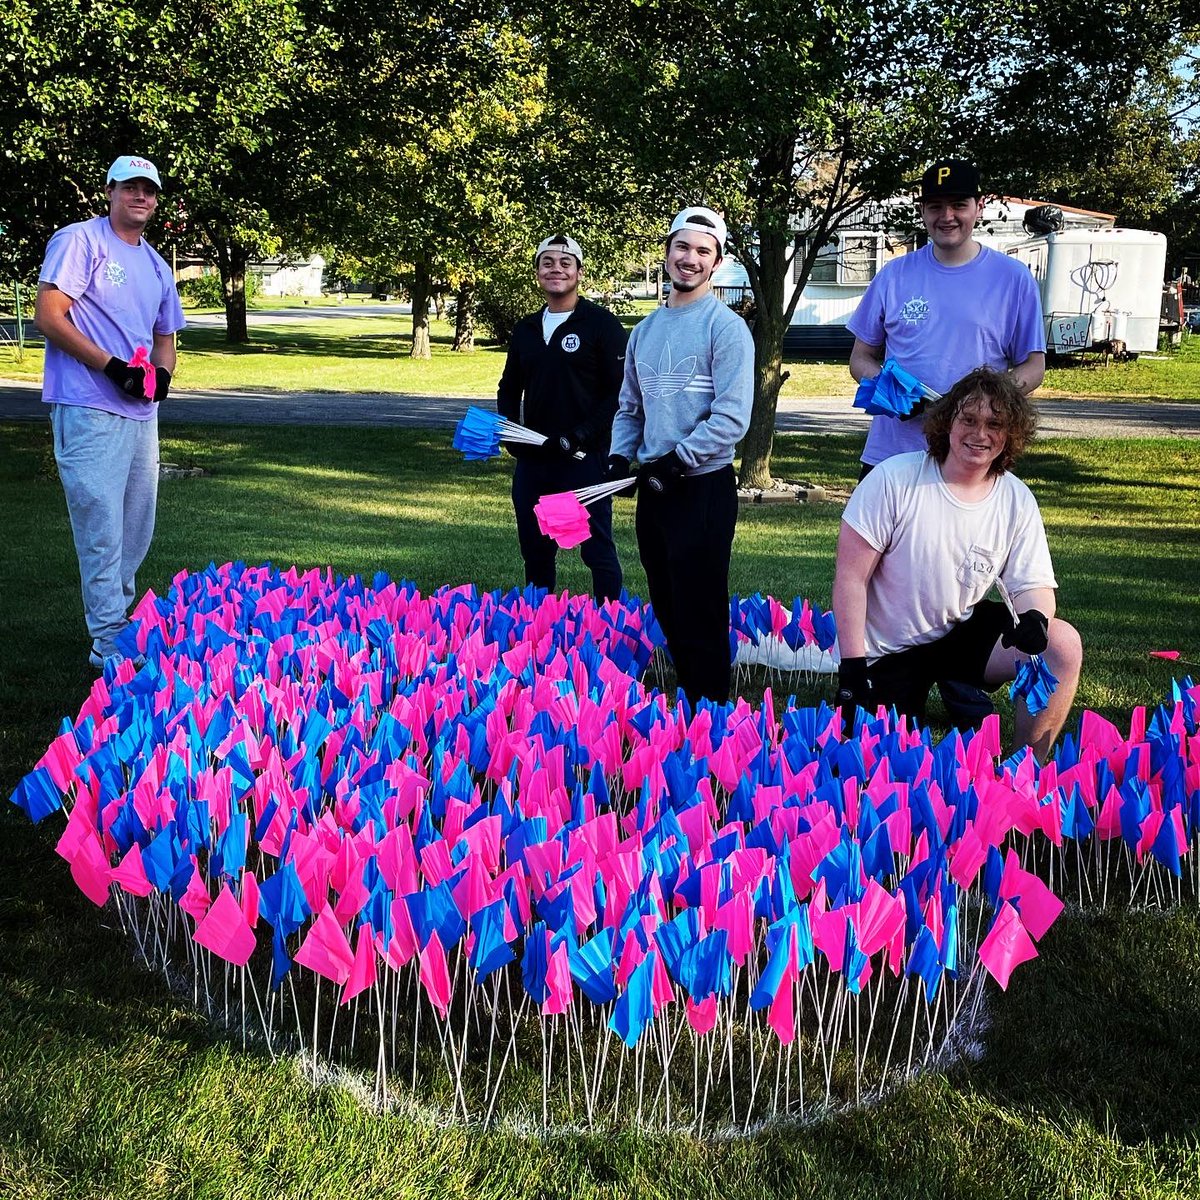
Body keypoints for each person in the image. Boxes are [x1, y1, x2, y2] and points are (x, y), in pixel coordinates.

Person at [845, 157, 1047, 730]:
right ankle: (875, 669)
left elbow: (1033, 367)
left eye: (959, 205)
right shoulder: (895, 275)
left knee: (957, 573)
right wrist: (883, 386)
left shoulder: (1012, 279)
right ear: (924, 212)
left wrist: (986, 402)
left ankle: (958, 667)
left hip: (971, 462)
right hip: (895, 453)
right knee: (882, 580)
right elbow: (862, 355)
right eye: (936, 206)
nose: (948, 216)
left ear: (979, 207)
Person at [832, 368, 1082, 763]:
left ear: (1010, 435)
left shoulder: (1016, 499)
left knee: (1062, 644)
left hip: (957, 631)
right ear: (947, 421)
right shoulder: (893, 479)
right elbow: (851, 578)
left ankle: (1025, 772)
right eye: (969, 419)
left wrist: (1035, 617)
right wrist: (851, 665)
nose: (979, 434)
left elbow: (1032, 584)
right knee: (870, 767)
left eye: (994, 424)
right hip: (885, 648)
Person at [35, 154, 186, 668]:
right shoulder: (81, 240)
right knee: (101, 524)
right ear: (110, 192)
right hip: (87, 405)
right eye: (129, 188)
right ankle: (107, 642)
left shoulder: (157, 265)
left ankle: (118, 619)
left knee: (135, 524)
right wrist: (111, 366)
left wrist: (160, 376)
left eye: (148, 189)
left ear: (157, 199)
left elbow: (165, 339)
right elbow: (49, 316)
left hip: (140, 414)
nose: (139, 196)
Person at [606, 207, 754, 706]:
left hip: (702, 487)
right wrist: (618, 456)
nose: (690, 259)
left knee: (700, 603)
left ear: (717, 263)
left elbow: (732, 417)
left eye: (702, 252)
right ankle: (691, 695)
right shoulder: (645, 331)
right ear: (666, 252)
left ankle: (710, 706)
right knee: (666, 596)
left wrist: (678, 458)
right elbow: (630, 407)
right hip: (655, 487)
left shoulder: (727, 328)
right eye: (682, 247)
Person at [497, 234, 628, 601]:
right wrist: (510, 432)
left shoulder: (600, 325)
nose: (556, 269)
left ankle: (609, 625)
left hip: (582, 461)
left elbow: (617, 393)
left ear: (580, 273)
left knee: (595, 550)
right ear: (538, 272)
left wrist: (579, 436)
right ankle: (539, 624)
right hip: (535, 461)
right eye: (548, 262)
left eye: (565, 263)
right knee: (536, 551)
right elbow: (509, 386)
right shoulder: (525, 329)